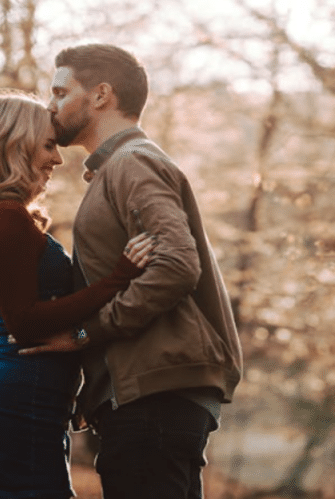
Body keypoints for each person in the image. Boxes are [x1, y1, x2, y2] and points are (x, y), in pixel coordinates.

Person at [24, 44, 243, 498]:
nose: (51, 105)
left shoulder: (133, 163)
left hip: (153, 402)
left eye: (61, 92)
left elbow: (176, 264)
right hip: (147, 401)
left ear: (101, 94)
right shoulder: (117, 170)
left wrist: (87, 334)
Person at [0, 89, 158, 499]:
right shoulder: (5, 217)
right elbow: (26, 322)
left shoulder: (9, 216)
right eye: (48, 145)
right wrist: (118, 278)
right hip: (20, 402)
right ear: (15, 145)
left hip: (38, 401)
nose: (57, 158)